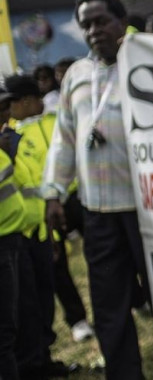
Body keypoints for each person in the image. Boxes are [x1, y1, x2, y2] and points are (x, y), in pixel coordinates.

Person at [43, 0, 150, 380]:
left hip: (147, 210)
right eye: (86, 24)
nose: (93, 30)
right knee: (108, 304)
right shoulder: (76, 75)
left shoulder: (147, 62)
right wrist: (54, 191)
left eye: (101, 20)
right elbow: (64, 138)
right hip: (98, 213)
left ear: (121, 22)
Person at [4, 74, 76, 378]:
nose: (7, 111)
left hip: (39, 231)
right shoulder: (11, 139)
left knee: (42, 302)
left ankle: (41, 358)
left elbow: (35, 183)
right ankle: (30, 364)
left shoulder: (20, 136)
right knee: (25, 309)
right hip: (18, 235)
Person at [0, 85, 27, 380]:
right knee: (4, 333)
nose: (5, 114)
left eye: (6, 107)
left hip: (15, 238)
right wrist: (7, 156)